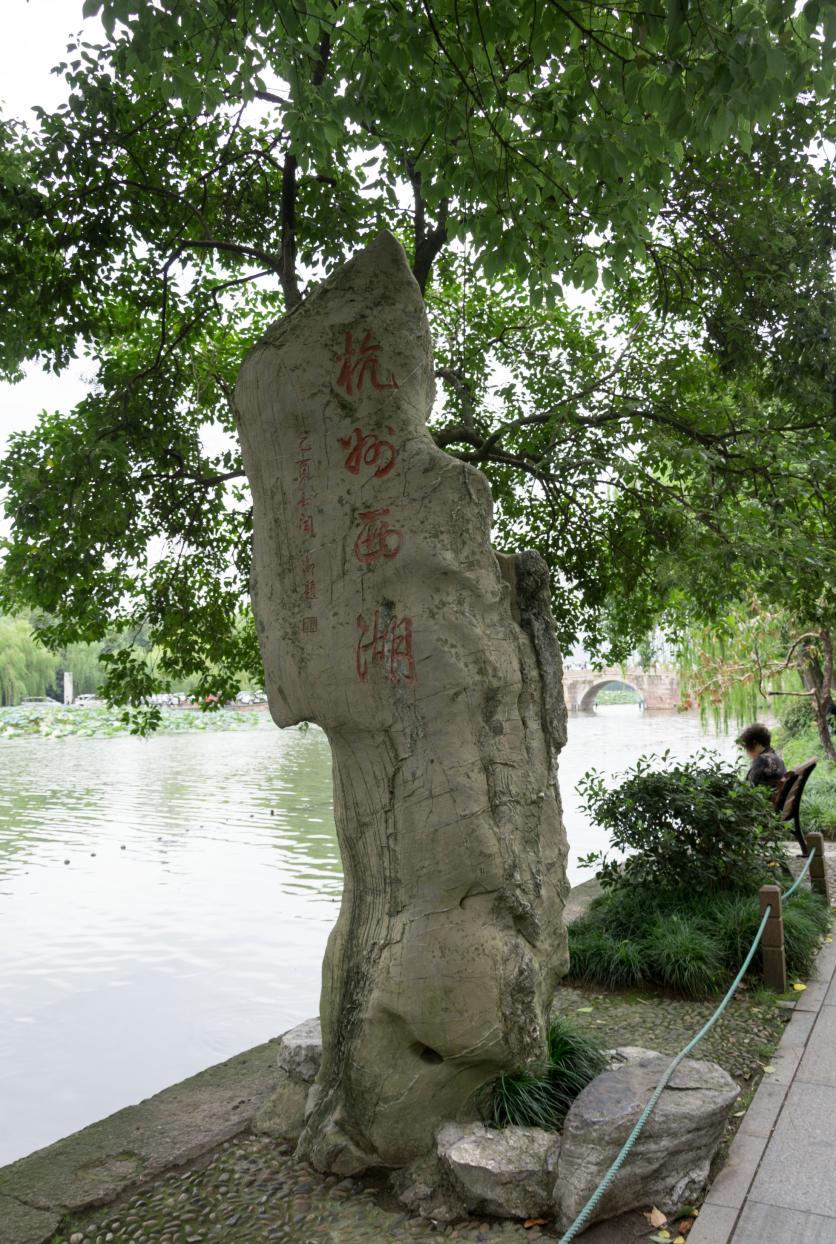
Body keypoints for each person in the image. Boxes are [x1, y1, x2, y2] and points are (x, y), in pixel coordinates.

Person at [736, 722, 787, 789]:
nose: (747, 752)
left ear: (756, 744)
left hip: (764, 799)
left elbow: (748, 790)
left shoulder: (762, 761)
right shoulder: (777, 758)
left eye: (747, 748)